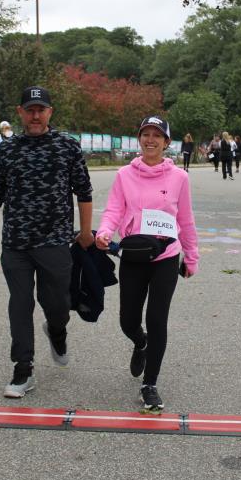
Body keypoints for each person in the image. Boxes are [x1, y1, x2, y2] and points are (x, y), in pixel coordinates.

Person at [0, 86, 95, 398]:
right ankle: (23, 368)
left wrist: (85, 233)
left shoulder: (67, 147)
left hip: (55, 241)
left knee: (57, 304)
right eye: (30, 110)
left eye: (41, 110)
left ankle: (57, 330)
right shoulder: (7, 150)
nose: (36, 116)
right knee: (20, 303)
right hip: (16, 243)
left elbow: (84, 191)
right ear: (20, 113)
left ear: (50, 112)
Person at [95, 115, 199, 410]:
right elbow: (114, 210)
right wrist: (104, 231)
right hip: (133, 256)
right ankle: (140, 343)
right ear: (139, 139)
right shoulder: (124, 175)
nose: (150, 140)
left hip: (166, 257)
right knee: (128, 320)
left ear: (167, 142)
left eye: (157, 135)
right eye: (146, 134)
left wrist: (191, 256)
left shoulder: (179, 178)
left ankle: (149, 384)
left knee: (157, 319)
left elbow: (185, 220)